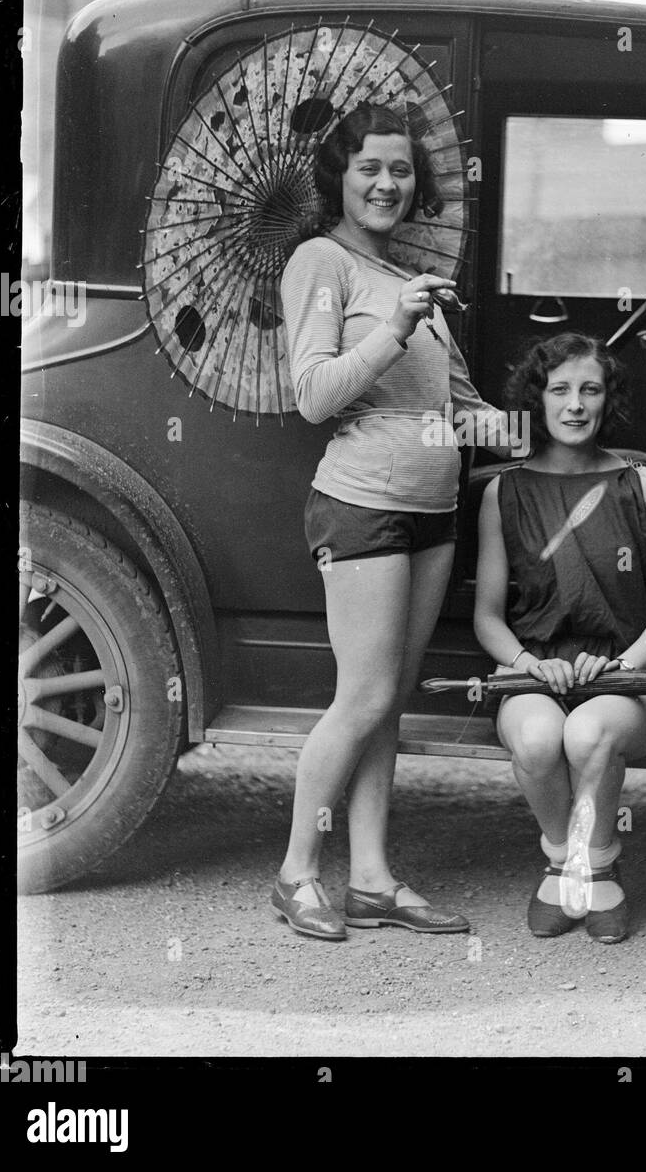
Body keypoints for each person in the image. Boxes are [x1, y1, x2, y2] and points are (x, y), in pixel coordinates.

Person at [275, 102, 514, 941]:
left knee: (389, 703)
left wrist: (547, 425)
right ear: (338, 176)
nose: (386, 182)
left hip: (432, 512)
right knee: (365, 692)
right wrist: (395, 329)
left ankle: (371, 878)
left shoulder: (411, 279)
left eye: (402, 169)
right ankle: (298, 871)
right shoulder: (320, 262)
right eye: (369, 167)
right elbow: (311, 396)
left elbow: (457, 407)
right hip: (362, 505)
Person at [473, 332, 646, 943]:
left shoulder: (640, 483)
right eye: (559, 389)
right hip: (535, 673)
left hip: (628, 680)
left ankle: (595, 866)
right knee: (540, 737)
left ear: (606, 399)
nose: (574, 404)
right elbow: (488, 616)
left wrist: (616, 666)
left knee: (587, 731)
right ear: (536, 399)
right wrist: (530, 667)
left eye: (589, 389)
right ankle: (563, 855)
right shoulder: (503, 492)